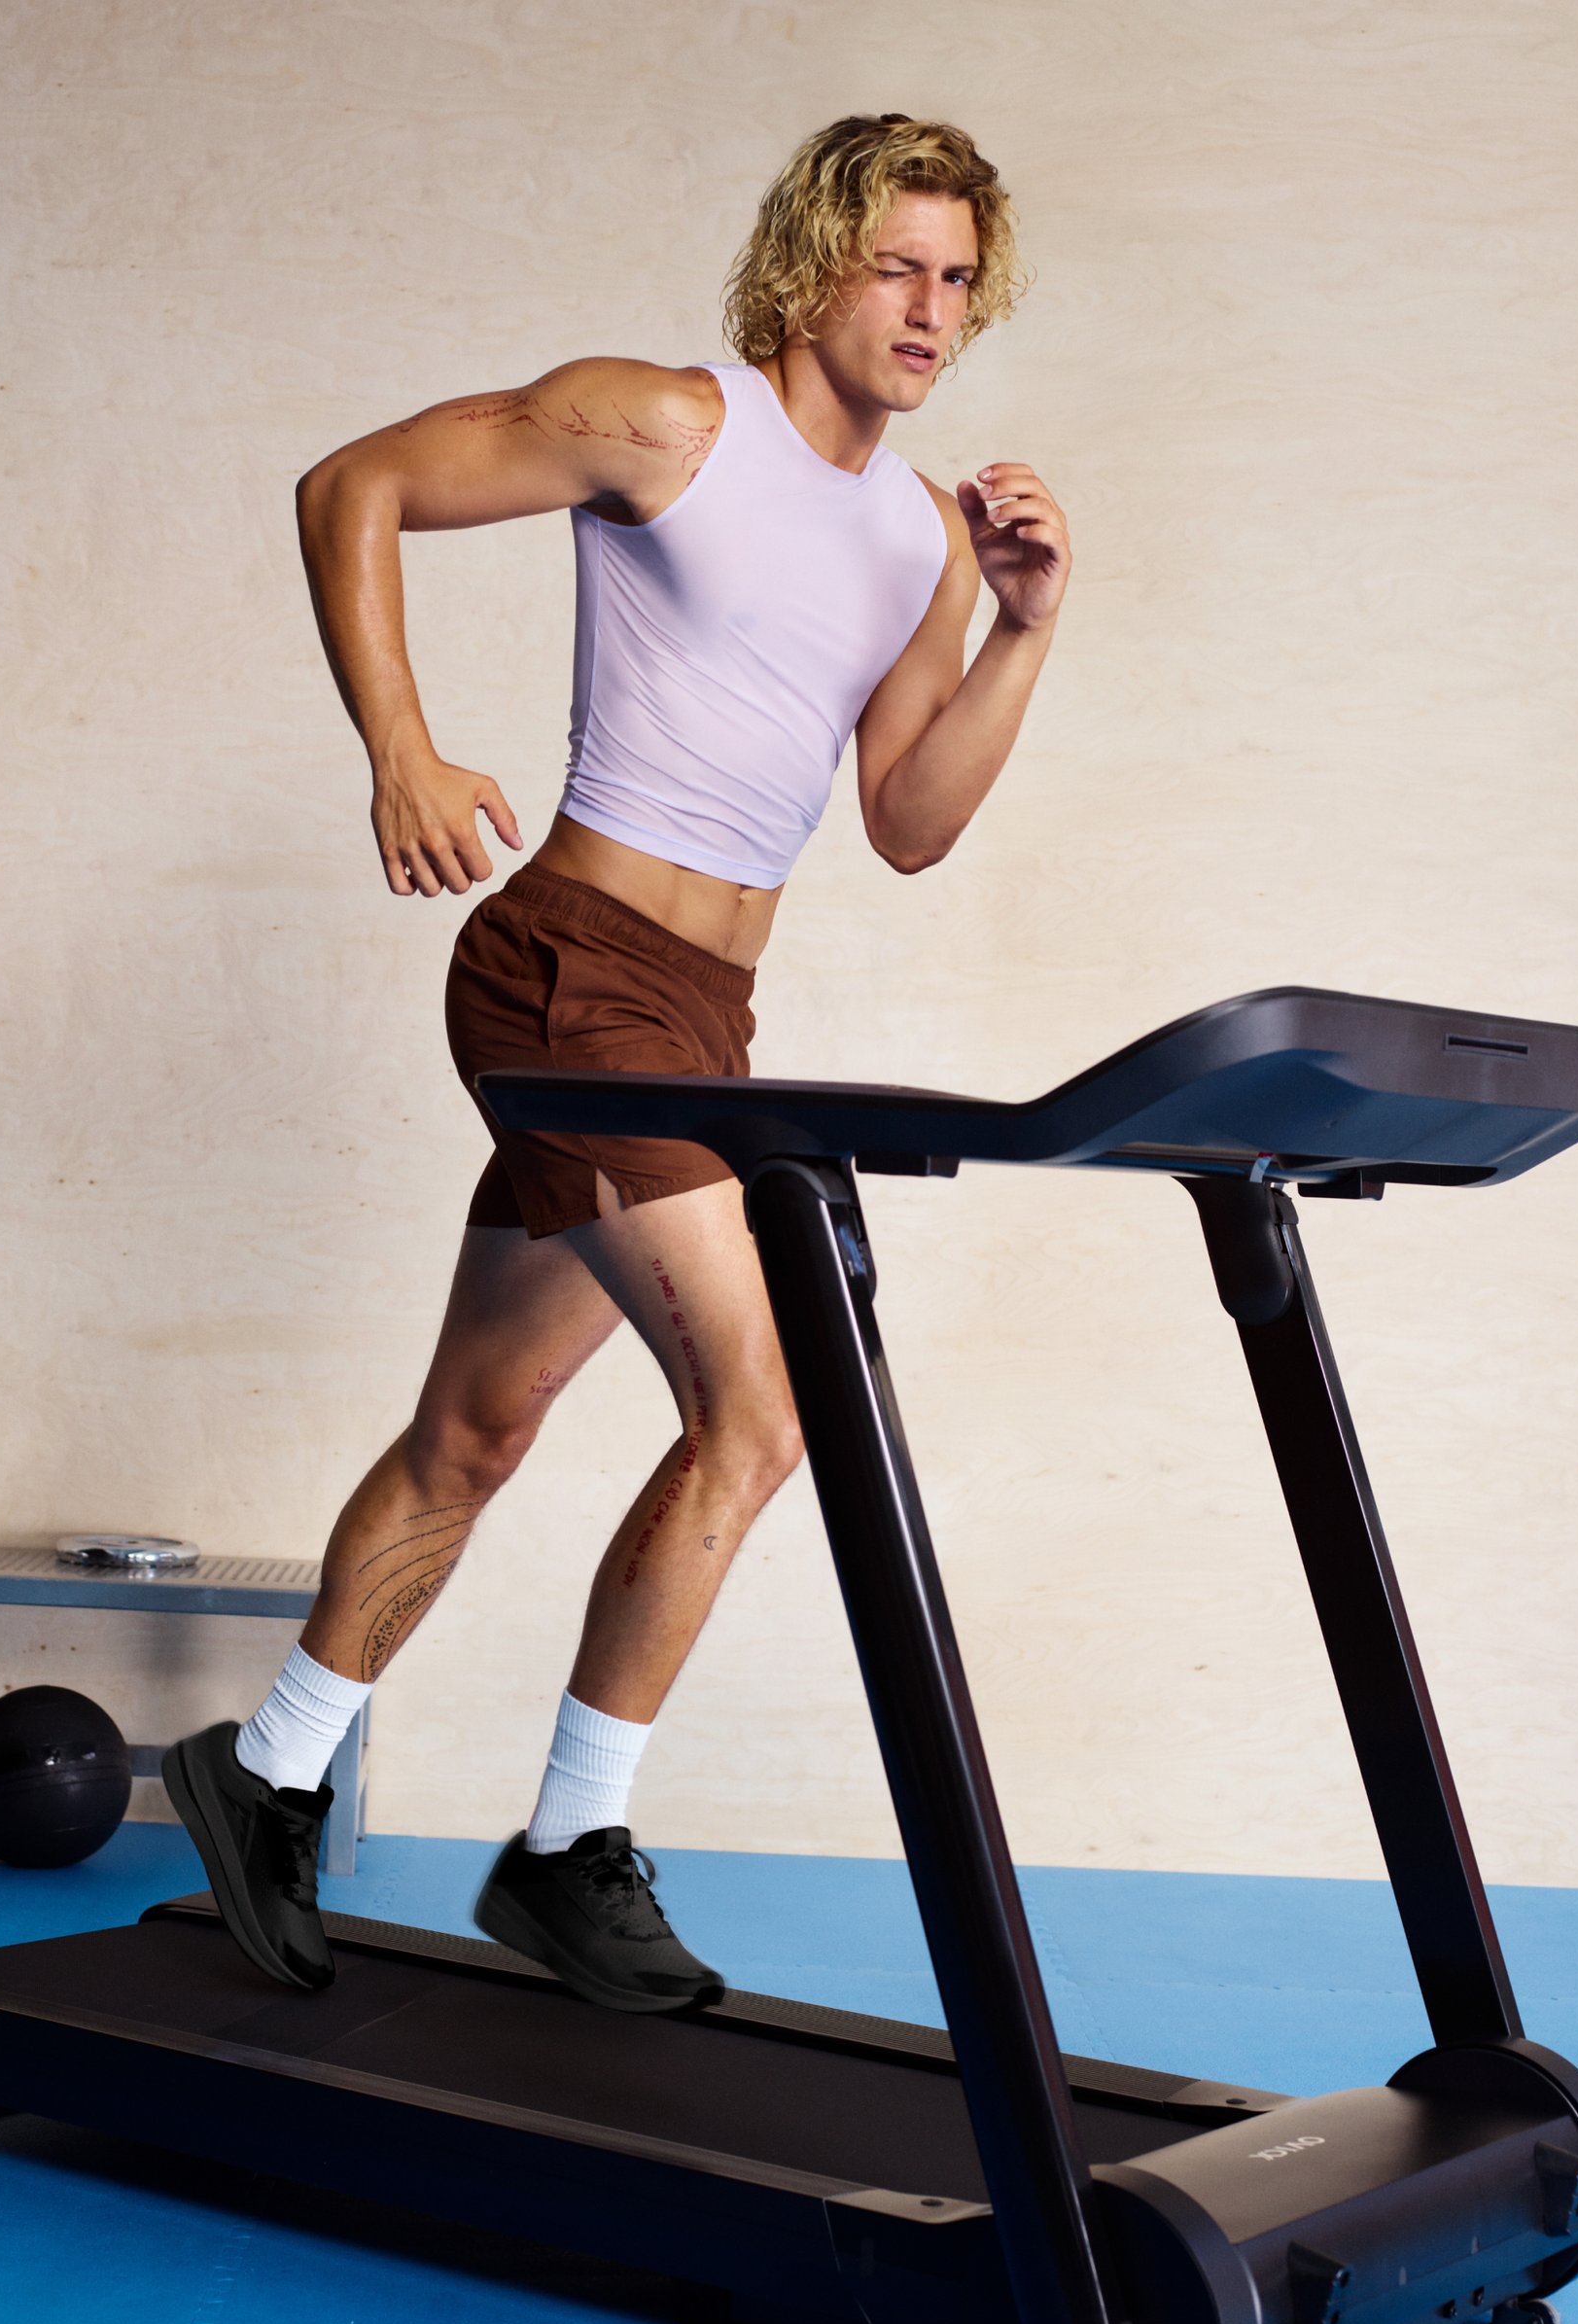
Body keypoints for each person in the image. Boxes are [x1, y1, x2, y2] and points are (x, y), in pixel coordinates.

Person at [161, 112, 1070, 2010]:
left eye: (957, 281)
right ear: (814, 264)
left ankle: (263, 1773)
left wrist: (1019, 628)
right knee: (766, 1405)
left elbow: (907, 821)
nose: (930, 310)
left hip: (703, 1030)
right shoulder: (665, 423)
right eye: (897, 267)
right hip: (572, 977)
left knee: (476, 1429)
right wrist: (401, 750)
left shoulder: (920, 539)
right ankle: (573, 1844)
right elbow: (354, 483)